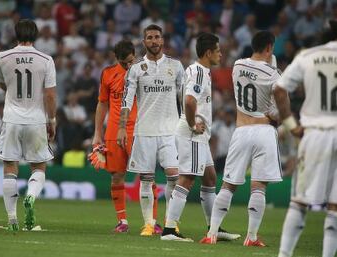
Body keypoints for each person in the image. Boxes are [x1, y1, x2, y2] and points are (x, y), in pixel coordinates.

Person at [201, 31, 282, 246]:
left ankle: (212, 234)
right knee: (258, 186)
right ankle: (252, 237)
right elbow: (276, 112)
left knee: (228, 184)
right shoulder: (274, 74)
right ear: (269, 47)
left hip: (241, 129)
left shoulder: (238, 65)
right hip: (263, 130)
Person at [161, 32, 240, 242]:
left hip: (199, 135)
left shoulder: (201, 71)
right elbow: (189, 101)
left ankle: (214, 227)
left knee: (210, 177)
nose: (221, 54)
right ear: (208, 52)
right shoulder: (197, 72)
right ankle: (169, 230)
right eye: (218, 50)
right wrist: (191, 124)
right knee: (187, 178)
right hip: (192, 134)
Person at [274, 21, 337, 257]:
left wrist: (291, 125)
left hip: (315, 134)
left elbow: (279, 90)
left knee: (299, 203)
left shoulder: (308, 55)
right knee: (335, 209)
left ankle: (284, 254)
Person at [117, 24, 183, 236]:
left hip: (170, 132)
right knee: (146, 179)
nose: (154, 41)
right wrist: (121, 128)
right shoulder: (135, 69)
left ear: (162, 40)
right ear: (144, 42)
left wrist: (187, 125)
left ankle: (171, 222)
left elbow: (184, 99)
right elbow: (126, 100)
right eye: (149, 38)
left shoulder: (176, 66)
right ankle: (148, 223)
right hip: (144, 130)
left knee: (174, 176)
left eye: (157, 37)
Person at [91, 40, 162, 233]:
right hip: (114, 131)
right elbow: (102, 103)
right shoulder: (107, 74)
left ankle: (152, 221)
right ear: (117, 59)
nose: (129, 65)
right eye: (124, 63)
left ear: (135, 55)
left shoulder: (145, 72)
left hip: (139, 130)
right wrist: (97, 133)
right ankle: (122, 220)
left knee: (147, 176)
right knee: (117, 176)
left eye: (131, 61)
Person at [0, 19, 57, 232]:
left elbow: (1, 82)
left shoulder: (3, 57)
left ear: (16, 34)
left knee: (10, 168)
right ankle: (30, 196)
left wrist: (12, 92)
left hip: (11, 118)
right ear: (36, 34)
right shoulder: (46, 59)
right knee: (38, 167)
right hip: (36, 119)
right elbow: (49, 94)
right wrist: (52, 120)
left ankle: (12, 220)